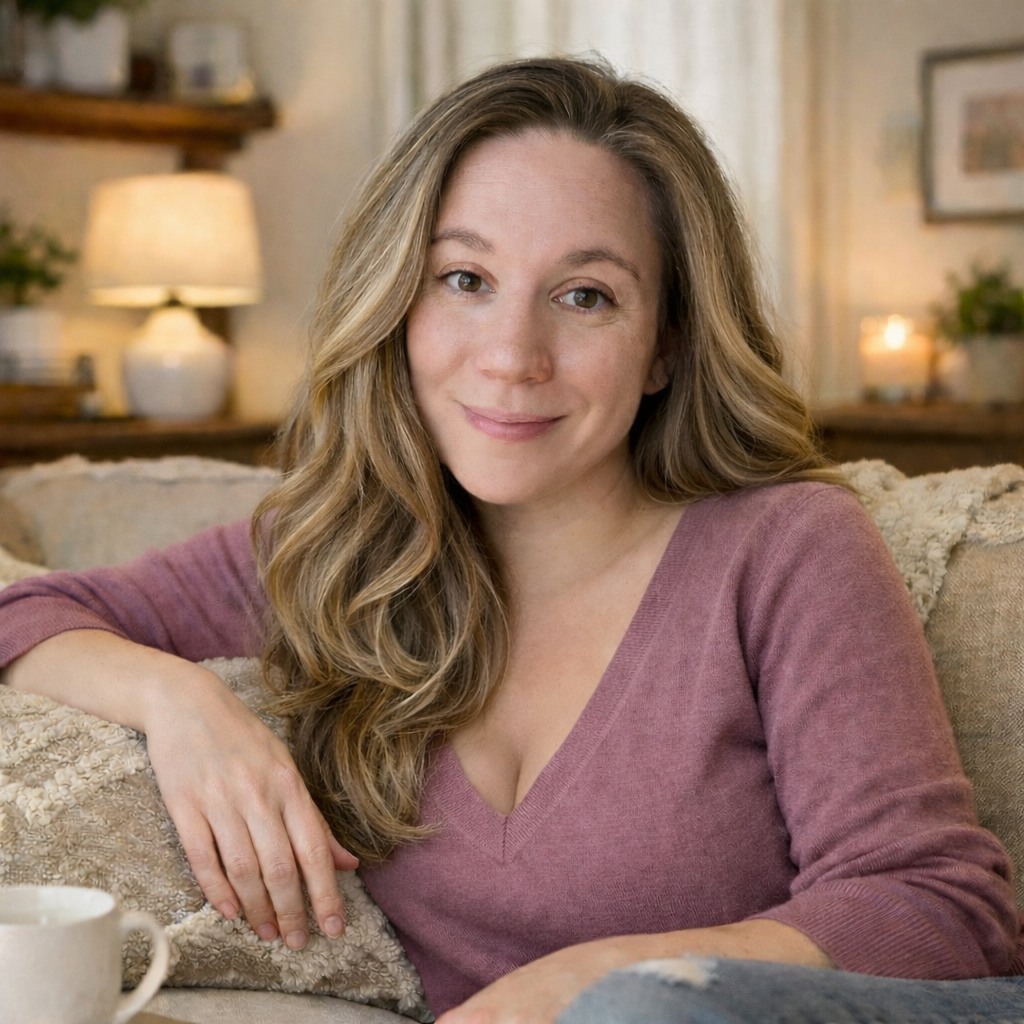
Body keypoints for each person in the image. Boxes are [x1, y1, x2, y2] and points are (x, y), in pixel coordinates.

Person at [0, 56, 1021, 1024]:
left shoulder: (785, 547)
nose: (511, 356)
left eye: (585, 296)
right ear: (399, 299)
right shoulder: (330, 552)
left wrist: (593, 981)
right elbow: (25, 611)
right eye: (464, 279)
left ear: (666, 345)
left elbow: (939, 905)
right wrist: (181, 705)